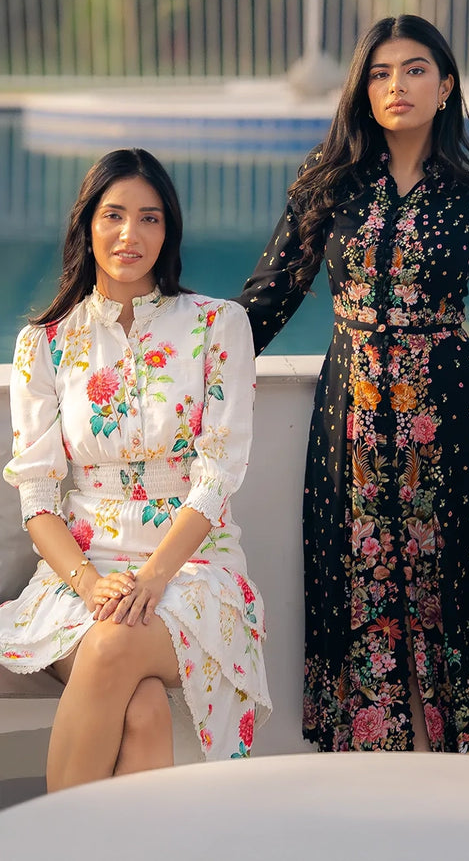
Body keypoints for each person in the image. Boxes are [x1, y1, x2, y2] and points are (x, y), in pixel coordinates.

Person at [236, 14, 469, 752]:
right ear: (363, 89)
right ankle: (378, 795)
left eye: (416, 69)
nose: (397, 86)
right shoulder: (325, 186)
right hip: (348, 424)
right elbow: (266, 301)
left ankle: (465, 793)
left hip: (455, 420)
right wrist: (174, 352)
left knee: (462, 598)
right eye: (382, 73)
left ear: (445, 86)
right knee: (361, 595)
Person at [1, 148, 270, 791]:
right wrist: (91, 584)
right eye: (114, 215)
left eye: (149, 219)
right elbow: (38, 495)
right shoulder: (46, 341)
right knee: (142, 709)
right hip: (80, 578)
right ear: (87, 225)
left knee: (113, 644)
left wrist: (151, 579)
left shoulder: (217, 326)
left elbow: (218, 477)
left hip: (194, 573)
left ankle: (45, 846)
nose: (131, 234)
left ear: (167, 232)